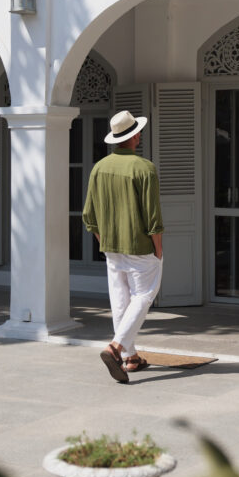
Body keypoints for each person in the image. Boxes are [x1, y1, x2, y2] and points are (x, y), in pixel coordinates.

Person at [82, 110, 164, 384]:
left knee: (120, 301)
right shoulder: (144, 168)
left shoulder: (99, 168)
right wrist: (158, 249)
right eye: (138, 131)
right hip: (140, 247)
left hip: (111, 247)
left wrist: (104, 242)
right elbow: (153, 218)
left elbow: (89, 217)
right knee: (143, 296)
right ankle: (116, 347)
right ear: (135, 136)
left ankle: (130, 357)